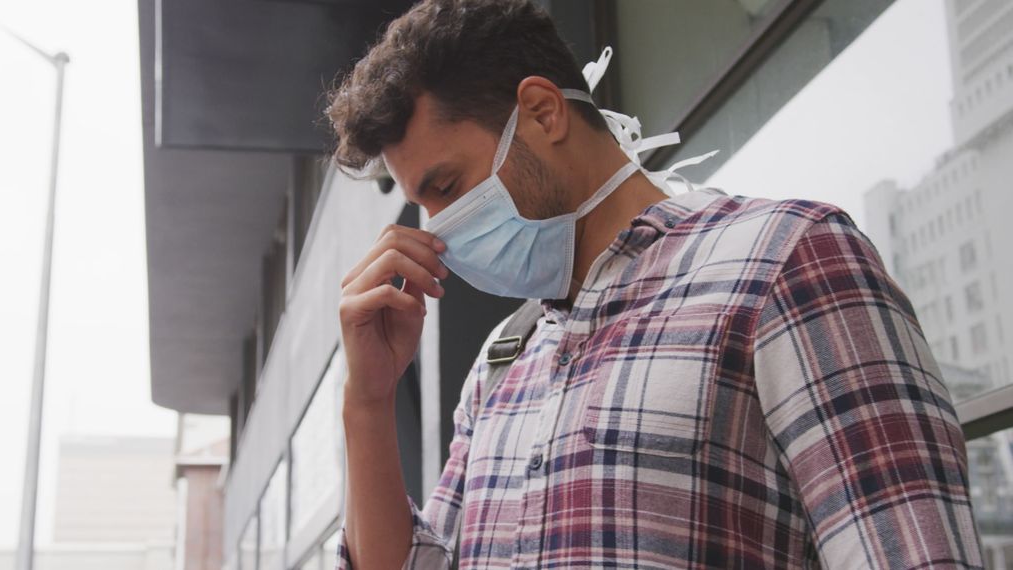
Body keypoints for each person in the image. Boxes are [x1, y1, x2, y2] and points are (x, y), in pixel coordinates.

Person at [325, 0, 984, 568]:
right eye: (424, 206)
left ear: (542, 111)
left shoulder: (784, 261)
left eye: (447, 187)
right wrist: (367, 400)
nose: (437, 232)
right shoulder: (505, 361)